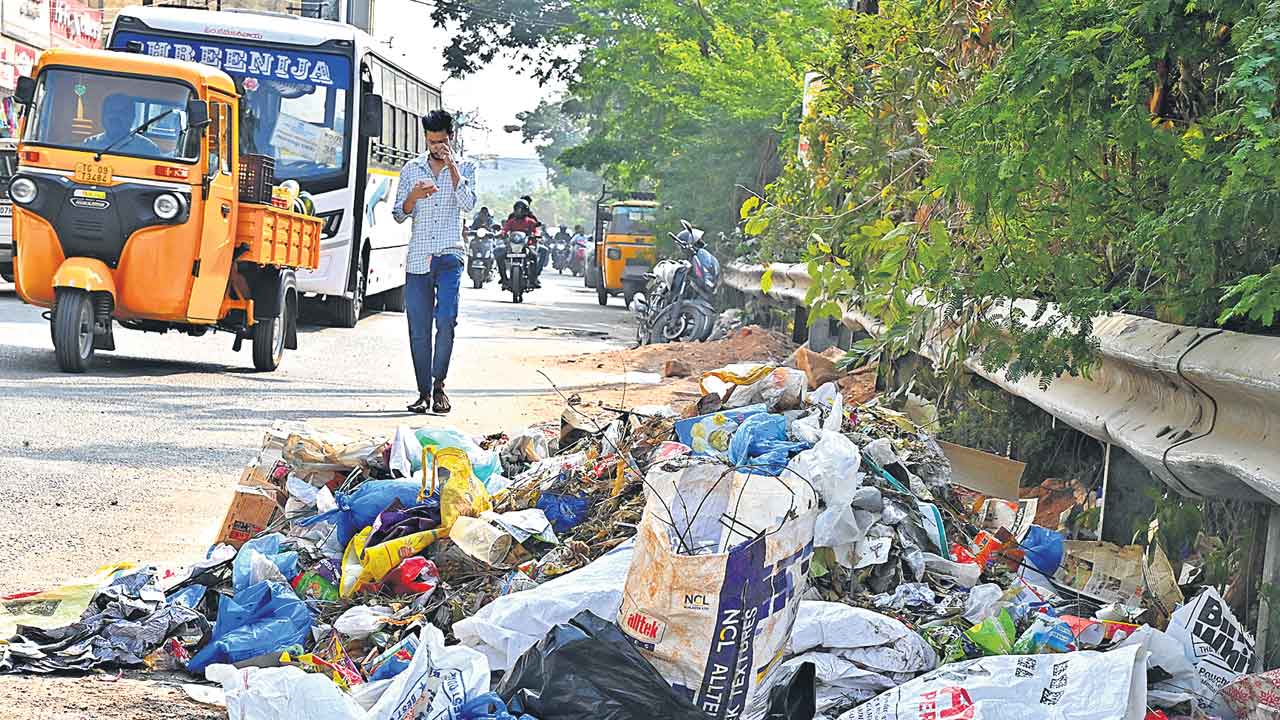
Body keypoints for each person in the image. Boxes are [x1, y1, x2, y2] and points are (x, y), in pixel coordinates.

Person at [391, 110, 477, 415]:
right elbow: (399, 213)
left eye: (440, 141)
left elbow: (468, 204)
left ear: (450, 138)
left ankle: (439, 385)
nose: (436, 146)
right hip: (418, 259)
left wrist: (453, 167)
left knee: (446, 320)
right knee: (418, 328)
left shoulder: (466, 166)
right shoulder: (412, 169)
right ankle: (423, 393)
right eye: (431, 141)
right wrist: (413, 197)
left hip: (450, 255)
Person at [82, 94, 162, 156]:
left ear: (132, 117)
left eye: (122, 113)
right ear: (103, 116)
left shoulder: (149, 149)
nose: (115, 117)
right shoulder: (89, 144)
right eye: (111, 112)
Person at [497, 199, 541, 290]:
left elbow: (536, 231)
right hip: (513, 246)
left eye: (521, 209)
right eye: (517, 209)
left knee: (534, 256)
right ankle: (504, 279)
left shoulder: (530, 221)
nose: (519, 211)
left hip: (526, 246)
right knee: (500, 256)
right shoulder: (511, 221)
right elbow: (505, 229)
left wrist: (535, 235)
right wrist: (502, 233)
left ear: (526, 210)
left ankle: (533, 279)